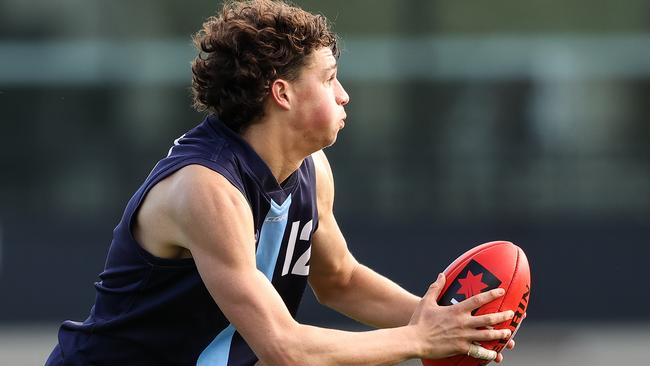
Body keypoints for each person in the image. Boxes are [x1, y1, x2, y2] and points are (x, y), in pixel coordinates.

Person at [45, 1, 516, 365]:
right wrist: (418, 339)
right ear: (282, 93)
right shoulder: (206, 188)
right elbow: (284, 348)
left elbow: (341, 280)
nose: (343, 94)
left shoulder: (311, 168)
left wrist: (447, 324)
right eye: (329, 78)